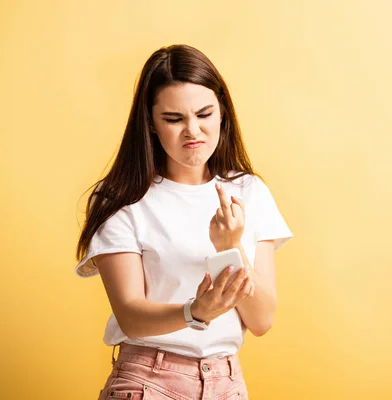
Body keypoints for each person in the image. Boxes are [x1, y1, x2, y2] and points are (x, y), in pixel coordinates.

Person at [74, 44, 293, 400]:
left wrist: (230, 247)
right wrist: (196, 311)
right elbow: (130, 315)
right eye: (173, 119)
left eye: (205, 114)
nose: (193, 131)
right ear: (150, 123)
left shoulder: (249, 191)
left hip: (227, 382)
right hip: (148, 381)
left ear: (222, 112)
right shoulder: (122, 198)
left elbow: (262, 319)